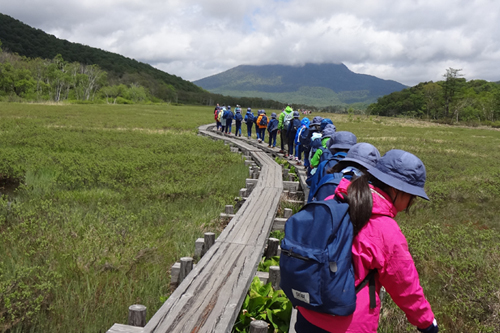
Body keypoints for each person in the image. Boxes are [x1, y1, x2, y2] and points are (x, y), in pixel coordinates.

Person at [296, 149, 439, 333]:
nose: (411, 203)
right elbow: (405, 286)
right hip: (346, 324)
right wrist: (426, 322)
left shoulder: (336, 198)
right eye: (411, 196)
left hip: (308, 313)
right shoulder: (385, 230)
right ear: (396, 190)